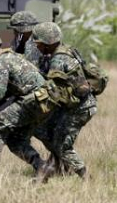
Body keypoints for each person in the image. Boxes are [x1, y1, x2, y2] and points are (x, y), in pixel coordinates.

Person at [0, 29, 57, 173]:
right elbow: (13, 85)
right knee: (15, 140)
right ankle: (42, 167)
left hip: (35, 101)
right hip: (42, 101)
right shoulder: (9, 56)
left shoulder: (1, 62)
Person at [31, 22, 97, 180]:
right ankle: (58, 167)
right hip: (75, 105)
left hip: (79, 108)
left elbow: (54, 92)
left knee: (62, 145)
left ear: (48, 43)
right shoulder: (66, 50)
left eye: (39, 44)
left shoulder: (58, 60)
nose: (37, 48)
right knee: (44, 130)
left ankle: (86, 176)